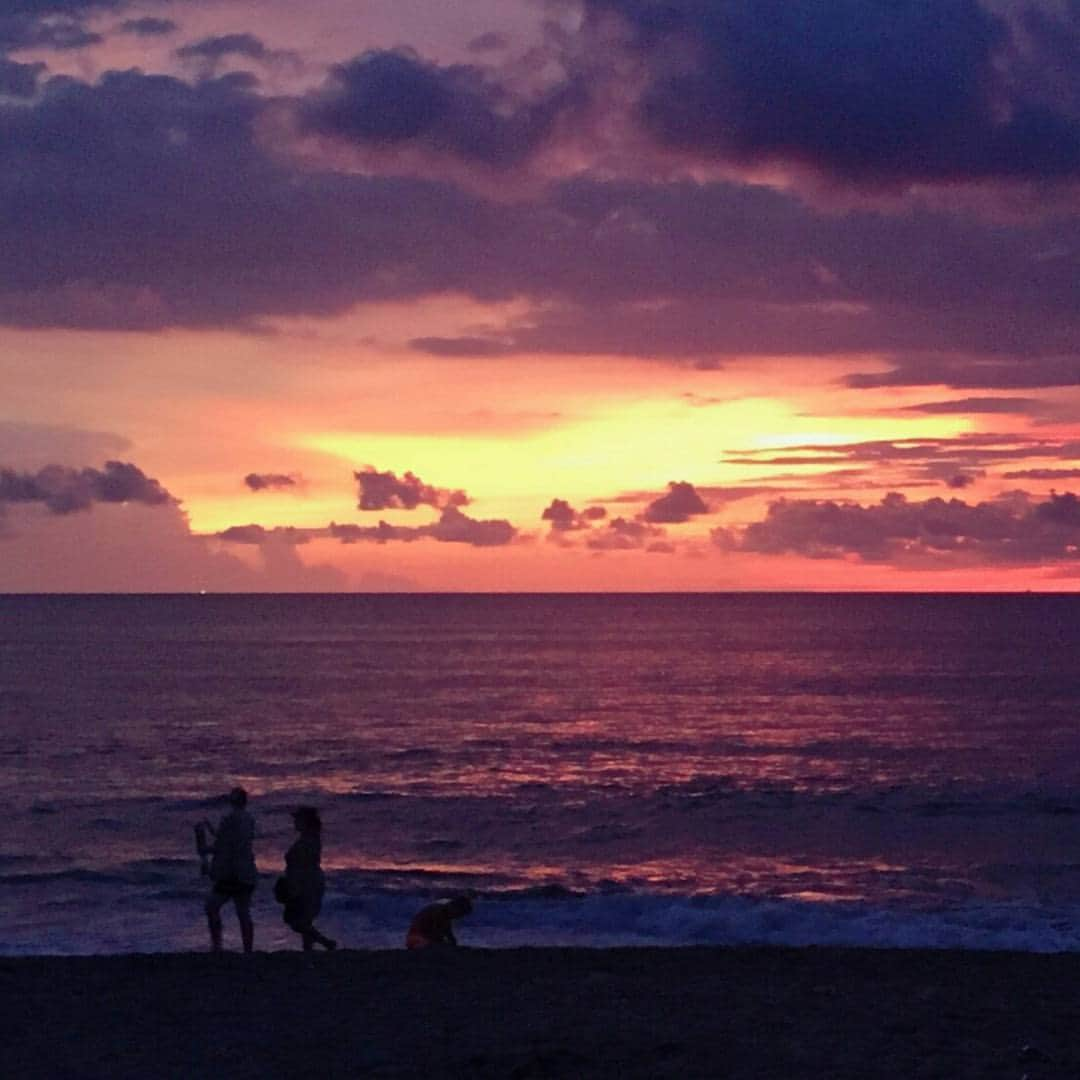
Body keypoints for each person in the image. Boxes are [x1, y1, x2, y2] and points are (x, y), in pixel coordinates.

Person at [202, 786, 257, 953]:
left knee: (212, 907)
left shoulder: (229, 819)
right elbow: (233, 840)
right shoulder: (249, 819)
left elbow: (222, 845)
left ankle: (217, 945)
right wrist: (212, 830)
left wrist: (205, 850)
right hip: (246, 871)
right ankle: (248, 949)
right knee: (243, 911)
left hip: (231, 874)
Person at [281, 805, 337, 951]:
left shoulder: (310, 840)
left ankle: (326, 942)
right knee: (304, 920)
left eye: (297, 819)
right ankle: (309, 950)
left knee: (298, 922)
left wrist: (295, 886)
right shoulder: (308, 838)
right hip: (306, 881)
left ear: (305, 821)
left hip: (307, 883)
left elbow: (305, 864)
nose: (295, 822)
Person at [405, 896, 473, 950]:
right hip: (416, 939)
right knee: (437, 947)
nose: (458, 917)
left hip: (420, 939)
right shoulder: (438, 912)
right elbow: (435, 934)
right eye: (460, 914)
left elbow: (448, 935)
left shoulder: (445, 915)